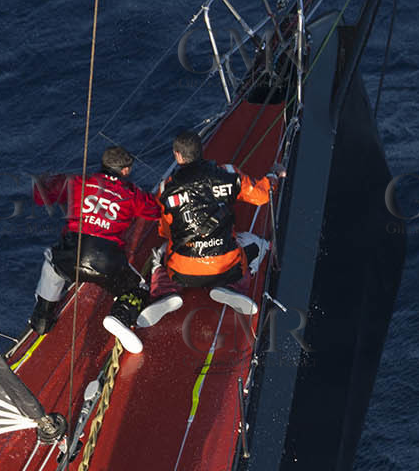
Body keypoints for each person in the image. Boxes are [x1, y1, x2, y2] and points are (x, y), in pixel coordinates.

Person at [136, 130, 276, 330]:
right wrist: (274, 176)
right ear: (201, 150)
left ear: (177, 155)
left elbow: (165, 232)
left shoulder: (166, 188)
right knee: (260, 245)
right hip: (226, 267)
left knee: (159, 254)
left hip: (183, 272)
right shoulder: (228, 173)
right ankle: (234, 286)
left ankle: (165, 291)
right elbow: (261, 196)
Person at [30, 145, 162, 353]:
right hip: (106, 261)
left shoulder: (77, 182)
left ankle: (42, 318)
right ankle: (120, 316)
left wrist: (47, 179)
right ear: (126, 170)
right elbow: (155, 211)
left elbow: (40, 195)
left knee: (52, 266)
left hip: (71, 254)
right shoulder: (132, 194)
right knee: (138, 288)